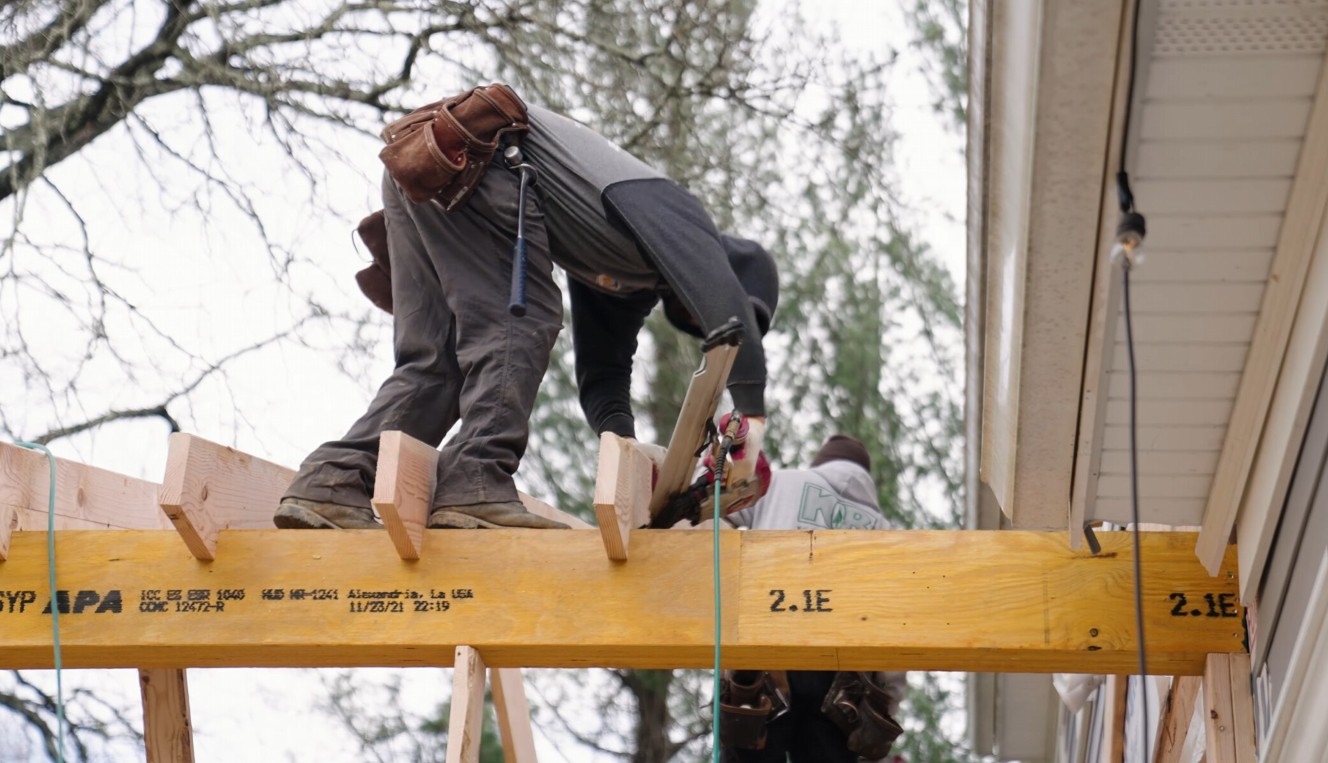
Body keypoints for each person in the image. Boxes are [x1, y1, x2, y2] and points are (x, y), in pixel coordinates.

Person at [274, 86, 778, 531]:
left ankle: (333, 479)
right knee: (521, 322)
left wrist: (628, 454)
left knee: (437, 362)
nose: (696, 319)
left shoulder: (625, 278)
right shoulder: (680, 216)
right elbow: (728, 318)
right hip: (478, 158)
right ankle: (475, 480)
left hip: (437, 165)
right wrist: (749, 423)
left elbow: (601, 378)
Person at [721, 435, 903, 762]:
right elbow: (895, 628)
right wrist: (889, 702)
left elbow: (714, 516)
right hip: (841, 688)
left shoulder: (779, 484)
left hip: (766, 660)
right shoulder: (885, 531)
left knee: (751, 744)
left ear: (821, 464)